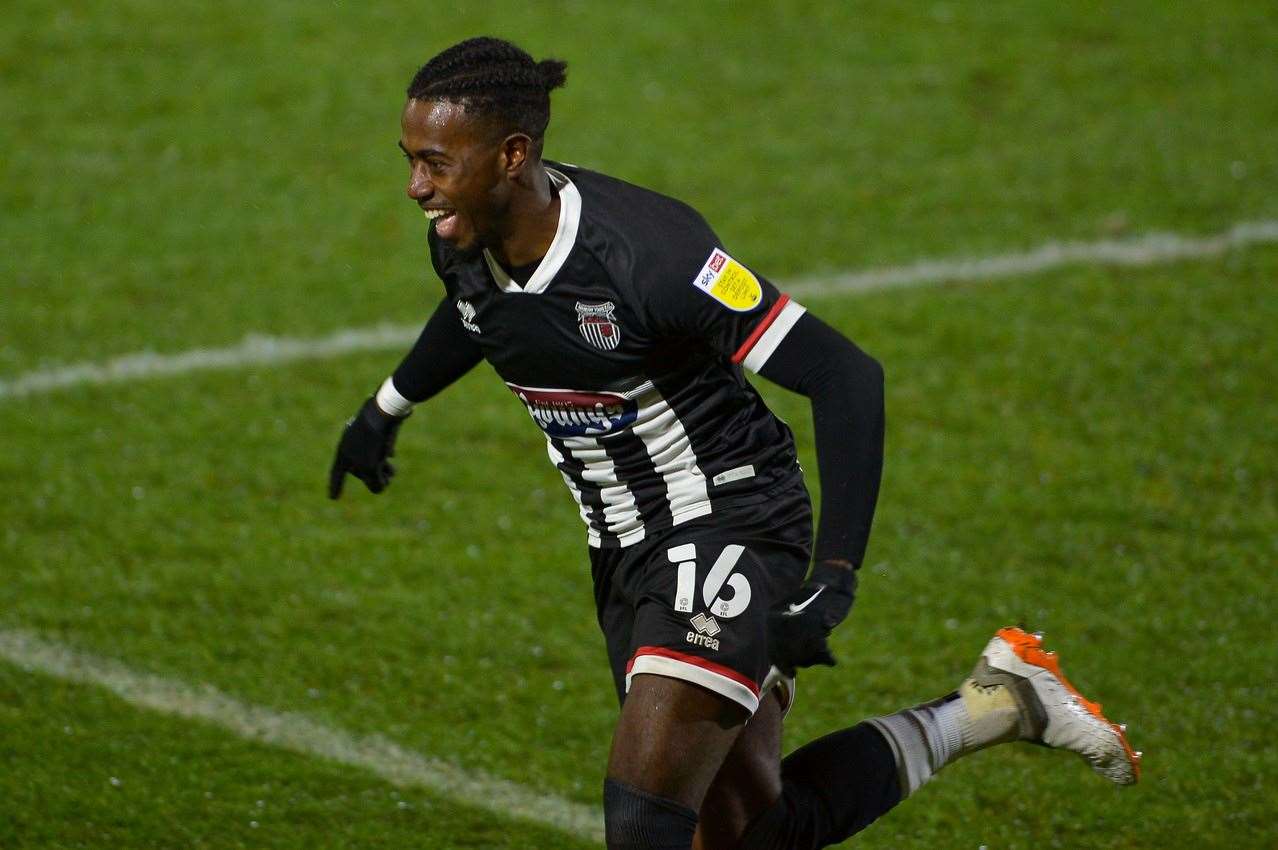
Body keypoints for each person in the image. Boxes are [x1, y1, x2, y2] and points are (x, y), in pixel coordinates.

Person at [328, 36, 1140, 850]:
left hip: (724, 519)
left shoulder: (653, 257)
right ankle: (1000, 704)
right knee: (755, 834)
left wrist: (837, 575)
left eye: (434, 163)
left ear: (512, 154)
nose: (414, 188)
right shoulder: (464, 233)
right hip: (622, 547)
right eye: (408, 160)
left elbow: (844, 374)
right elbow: (482, 313)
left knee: (643, 824)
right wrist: (387, 407)